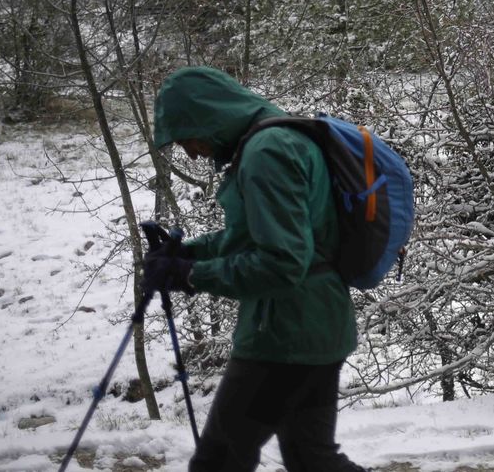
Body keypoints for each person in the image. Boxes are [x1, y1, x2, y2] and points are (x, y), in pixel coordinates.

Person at [146, 66, 366, 472]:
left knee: (220, 461)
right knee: (312, 458)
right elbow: (257, 238)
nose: (191, 153)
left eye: (186, 138)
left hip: (285, 332)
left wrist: (191, 276)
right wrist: (188, 255)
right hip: (314, 324)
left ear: (207, 117)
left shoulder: (267, 152)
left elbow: (282, 263)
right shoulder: (274, 142)